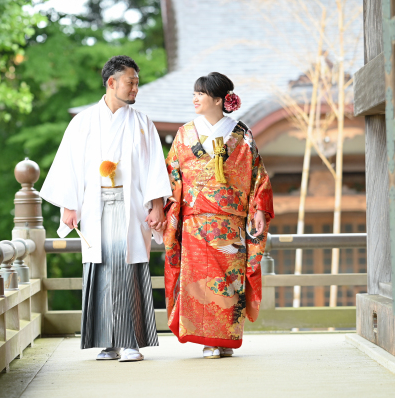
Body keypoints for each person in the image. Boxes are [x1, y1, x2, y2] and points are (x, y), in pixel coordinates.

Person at [40, 55, 172, 362]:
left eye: (137, 83)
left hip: (130, 207)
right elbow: (69, 166)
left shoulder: (142, 123)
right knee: (99, 268)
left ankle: (130, 342)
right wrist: (69, 206)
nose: (135, 89)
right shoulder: (83, 122)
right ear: (112, 83)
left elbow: (154, 167)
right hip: (95, 206)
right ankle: (107, 342)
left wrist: (156, 207)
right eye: (131, 83)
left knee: (126, 266)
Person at [162, 72, 274, 358]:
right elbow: (173, 174)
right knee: (199, 280)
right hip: (195, 221)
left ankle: (225, 338)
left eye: (201, 93)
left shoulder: (241, 134)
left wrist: (259, 208)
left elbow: (256, 175)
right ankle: (208, 340)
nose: (195, 98)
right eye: (194, 93)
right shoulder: (185, 133)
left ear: (218, 99)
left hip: (230, 223)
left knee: (229, 280)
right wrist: (167, 211)